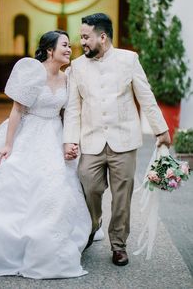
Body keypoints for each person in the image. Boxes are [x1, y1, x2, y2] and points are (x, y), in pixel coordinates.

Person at [0, 30, 92, 279]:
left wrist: (69, 141)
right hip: (26, 132)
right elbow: (17, 111)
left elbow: (69, 112)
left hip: (53, 133)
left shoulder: (67, 77)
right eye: (64, 45)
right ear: (50, 50)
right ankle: (4, 243)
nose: (68, 49)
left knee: (54, 186)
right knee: (14, 182)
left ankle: (48, 240)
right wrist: (8, 144)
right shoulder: (32, 71)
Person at [63, 13, 171, 266]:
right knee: (88, 186)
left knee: (123, 196)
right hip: (91, 141)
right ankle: (93, 223)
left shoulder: (129, 59)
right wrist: (70, 140)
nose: (82, 42)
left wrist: (161, 129)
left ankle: (119, 245)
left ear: (103, 36)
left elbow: (146, 96)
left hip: (124, 140)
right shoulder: (76, 67)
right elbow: (73, 108)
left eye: (86, 37)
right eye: (81, 37)